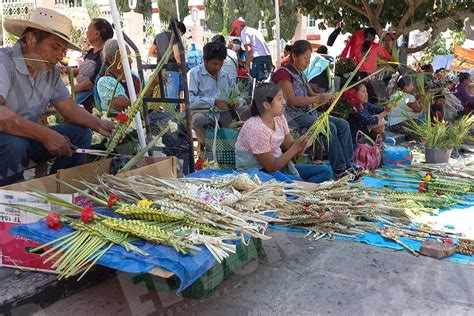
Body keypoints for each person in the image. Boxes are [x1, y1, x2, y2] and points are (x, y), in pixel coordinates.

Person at [0, 8, 114, 186]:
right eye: (55, 47)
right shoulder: (4, 62)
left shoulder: (49, 71)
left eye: (63, 50)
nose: (60, 56)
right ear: (30, 38)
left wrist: (100, 124)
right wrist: (45, 134)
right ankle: (10, 202)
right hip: (7, 140)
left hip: (27, 139)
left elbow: (68, 108)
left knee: (80, 135)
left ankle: (58, 191)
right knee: (15, 145)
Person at [273, 40, 357, 179]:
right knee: (327, 126)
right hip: (292, 116)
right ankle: (340, 170)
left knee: (343, 124)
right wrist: (317, 99)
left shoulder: (301, 74)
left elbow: (312, 95)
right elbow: (292, 100)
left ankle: (348, 165)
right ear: (294, 56)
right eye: (305, 58)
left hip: (309, 113)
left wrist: (326, 97)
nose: (307, 62)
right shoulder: (283, 73)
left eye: (309, 59)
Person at [235, 83, 332, 183]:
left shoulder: (279, 117)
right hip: (256, 173)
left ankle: (301, 188)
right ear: (266, 105)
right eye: (279, 99)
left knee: (325, 172)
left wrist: (303, 143)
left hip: (277, 167)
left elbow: (290, 145)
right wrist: (296, 147)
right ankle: (302, 188)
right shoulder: (256, 128)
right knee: (298, 181)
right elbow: (271, 168)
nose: (284, 102)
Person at [188, 42, 250, 145]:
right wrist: (213, 102)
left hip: (224, 114)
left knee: (247, 110)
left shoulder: (225, 75)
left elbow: (238, 95)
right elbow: (189, 100)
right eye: (214, 64)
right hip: (204, 113)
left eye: (220, 63)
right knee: (199, 120)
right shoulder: (194, 74)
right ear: (205, 60)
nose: (218, 67)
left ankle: (239, 147)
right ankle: (212, 149)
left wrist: (236, 102)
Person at [58, 18, 113, 112]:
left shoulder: (104, 54)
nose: (86, 32)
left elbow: (96, 80)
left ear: (97, 34)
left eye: (88, 29)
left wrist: (75, 88)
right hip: (80, 93)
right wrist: (67, 69)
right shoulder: (91, 52)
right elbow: (82, 71)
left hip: (90, 99)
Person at [95, 39, 142, 114]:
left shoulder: (134, 75)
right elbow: (126, 106)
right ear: (110, 59)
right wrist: (150, 87)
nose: (131, 61)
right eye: (127, 57)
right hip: (121, 123)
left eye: (130, 56)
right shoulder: (105, 82)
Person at [148, 20, 186, 104]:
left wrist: (160, 56)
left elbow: (151, 53)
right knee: (172, 102)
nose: (180, 37)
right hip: (172, 70)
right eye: (181, 35)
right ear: (178, 30)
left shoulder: (158, 36)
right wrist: (181, 64)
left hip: (160, 72)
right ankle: (171, 117)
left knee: (164, 102)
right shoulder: (174, 37)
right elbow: (177, 56)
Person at [354, 28, 391, 103]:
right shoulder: (377, 47)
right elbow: (388, 57)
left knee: (363, 101)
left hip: (361, 77)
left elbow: (356, 64)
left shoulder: (358, 48)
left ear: (364, 37)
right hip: (372, 77)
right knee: (373, 100)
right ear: (374, 37)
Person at [230, 18, 272, 82]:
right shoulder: (253, 30)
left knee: (255, 85)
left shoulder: (244, 32)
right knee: (264, 84)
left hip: (260, 60)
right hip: (266, 58)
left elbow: (249, 50)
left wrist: (247, 66)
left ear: (238, 28)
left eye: (235, 31)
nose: (237, 35)